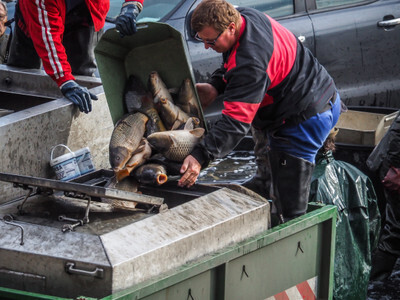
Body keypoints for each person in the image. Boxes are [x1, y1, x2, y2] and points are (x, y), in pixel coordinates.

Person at [178, 0, 342, 223]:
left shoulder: (250, 62)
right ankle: (265, 189)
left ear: (231, 28)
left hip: (304, 119)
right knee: (267, 178)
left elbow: (235, 125)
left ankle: (291, 240)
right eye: (202, 40)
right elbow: (235, 64)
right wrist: (216, 85)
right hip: (309, 95)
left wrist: (199, 156)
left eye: (210, 41)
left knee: (289, 210)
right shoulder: (244, 16)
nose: (206, 46)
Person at [6, 0, 143, 113]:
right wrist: (65, 80)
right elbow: (48, 40)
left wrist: (132, 6)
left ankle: (84, 124)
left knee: (84, 81)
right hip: (36, 21)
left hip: (86, 14)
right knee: (20, 81)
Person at [367, 110, 400, 281]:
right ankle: (375, 282)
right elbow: (397, 136)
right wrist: (396, 169)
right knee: (395, 229)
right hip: (395, 167)